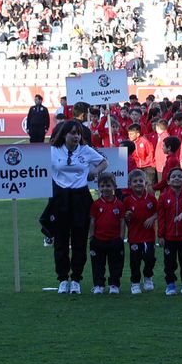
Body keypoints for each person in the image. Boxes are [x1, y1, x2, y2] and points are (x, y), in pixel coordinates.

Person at [48, 120, 108, 295]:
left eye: (78, 133)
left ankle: (76, 279)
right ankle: (62, 279)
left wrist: (93, 172)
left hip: (80, 198)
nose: (76, 136)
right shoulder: (53, 151)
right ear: (64, 134)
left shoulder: (86, 150)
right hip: (60, 198)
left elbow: (104, 162)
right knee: (60, 241)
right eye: (72, 133)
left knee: (79, 241)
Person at [155, 166, 182, 296]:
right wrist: (161, 235)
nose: (177, 178)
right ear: (168, 181)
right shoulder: (163, 197)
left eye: (180, 176)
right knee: (169, 263)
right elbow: (161, 218)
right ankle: (170, 284)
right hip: (169, 237)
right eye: (173, 176)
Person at [87, 174, 126, 295]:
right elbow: (92, 221)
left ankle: (114, 284)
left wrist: (121, 237)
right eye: (102, 186)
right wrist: (91, 237)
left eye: (108, 185)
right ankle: (99, 284)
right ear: (98, 187)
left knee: (115, 264)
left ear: (114, 186)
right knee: (98, 264)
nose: (105, 189)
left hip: (115, 239)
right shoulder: (96, 204)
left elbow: (122, 221)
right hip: (98, 240)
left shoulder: (119, 204)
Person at [123, 170, 158, 294]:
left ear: (146, 183)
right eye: (135, 181)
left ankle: (148, 277)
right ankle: (135, 282)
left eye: (140, 181)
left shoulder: (152, 199)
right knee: (135, 261)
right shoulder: (127, 200)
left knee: (149, 258)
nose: (138, 183)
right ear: (130, 184)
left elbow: (158, 212)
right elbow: (125, 218)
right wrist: (128, 216)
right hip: (134, 237)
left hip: (149, 236)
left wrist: (152, 218)